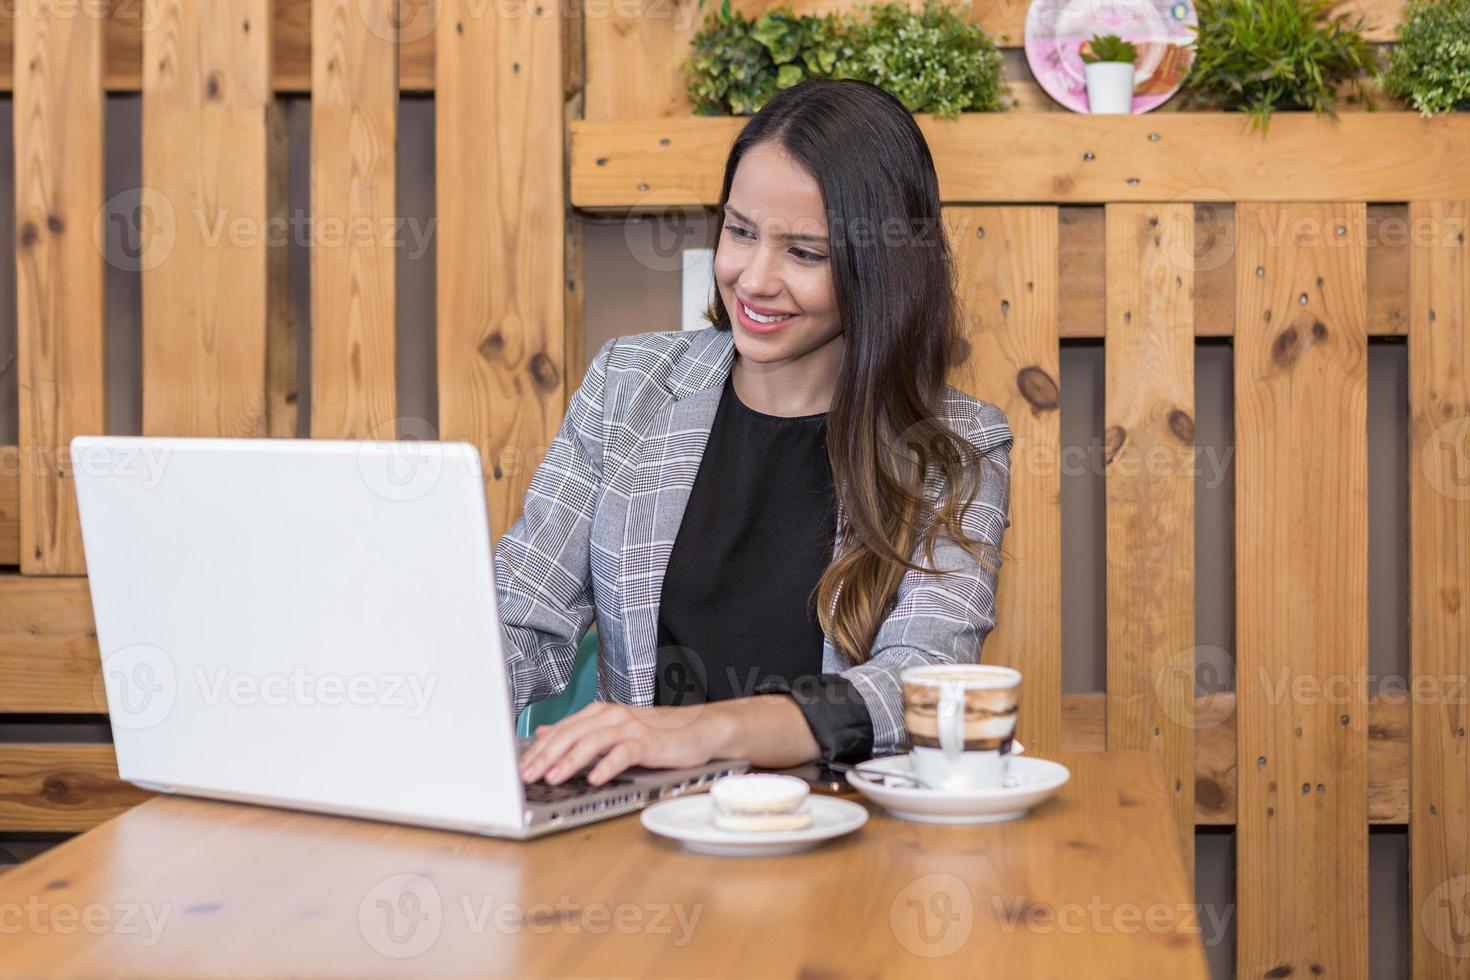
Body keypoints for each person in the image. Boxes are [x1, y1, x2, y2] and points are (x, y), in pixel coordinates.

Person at [509, 77, 1014, 788]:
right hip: (645, 840)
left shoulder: (956, 446)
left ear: (881, 271)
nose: (752, 279)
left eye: (804, 253)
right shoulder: (630, 385)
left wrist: (709, 729)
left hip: (843, 842)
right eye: (740, 232)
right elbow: (521, 616)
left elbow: (920, 680)